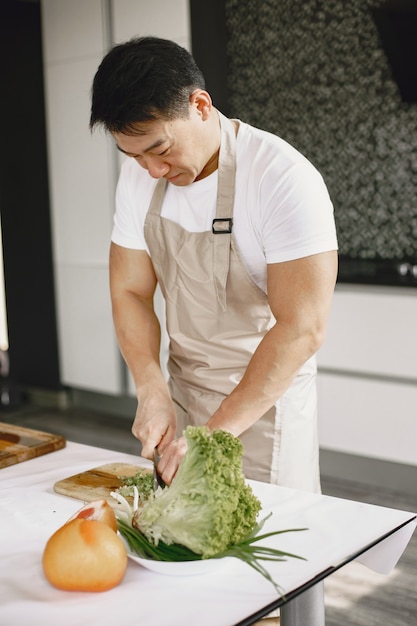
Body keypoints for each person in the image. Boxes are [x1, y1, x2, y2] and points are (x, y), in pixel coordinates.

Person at [90, 36, 338, 491]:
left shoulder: (281, 178)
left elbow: (302, 327)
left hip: (264, 413)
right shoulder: (138, 177)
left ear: (200, 105)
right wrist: (150, 389)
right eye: (134, 155)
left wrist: (214, 436)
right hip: (181, 399)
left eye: (161, 150)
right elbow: (129, 291)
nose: (152, 170)